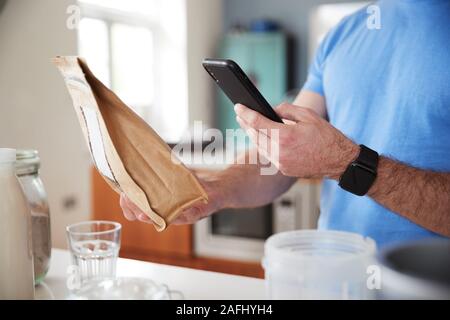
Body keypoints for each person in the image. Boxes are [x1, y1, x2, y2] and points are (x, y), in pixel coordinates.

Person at [120, 0, 450, 248]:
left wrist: (347, 163)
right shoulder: (343, 35)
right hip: (335, 278)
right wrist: (216, 189)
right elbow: (279, 158)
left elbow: (338, 160)